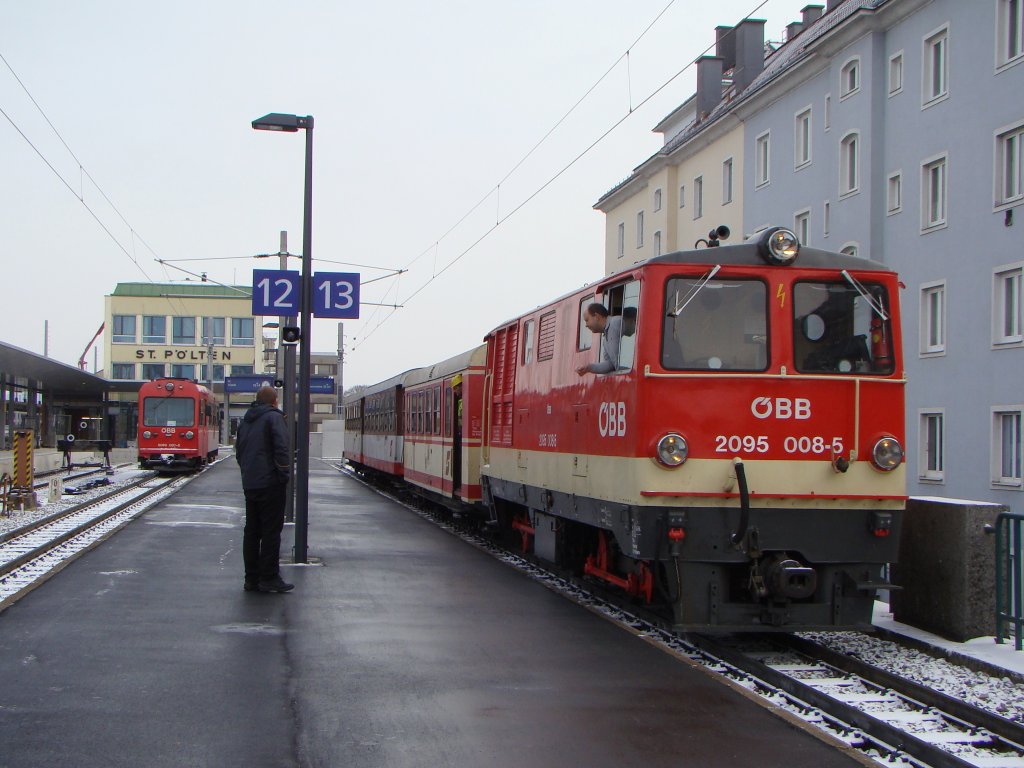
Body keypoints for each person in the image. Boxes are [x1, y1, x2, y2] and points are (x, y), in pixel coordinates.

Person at [235, 385, 293, 593]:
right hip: (270, 483)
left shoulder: (247, 420)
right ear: (274, 401)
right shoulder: (273, 418)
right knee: (271, 531)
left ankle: (251, 578)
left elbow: (239, 452)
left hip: (251, 482)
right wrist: (284, 475)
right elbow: (282, 448)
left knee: (252, 531)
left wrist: (247, 473)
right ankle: (269, 577)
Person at [576, 303, 623, 376]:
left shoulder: (616, 322)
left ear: (597, 316)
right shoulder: (605, 340)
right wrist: (589, 367)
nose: (586, 325)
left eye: (587, 320)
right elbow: (610, 364)